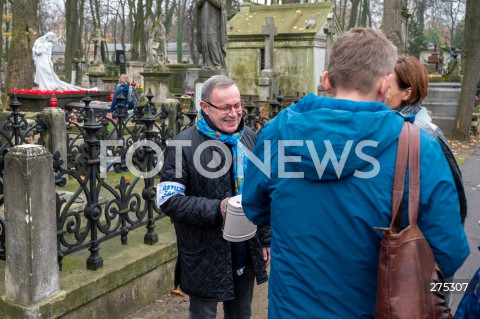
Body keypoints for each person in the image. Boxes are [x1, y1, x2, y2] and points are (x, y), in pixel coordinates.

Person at [242, 28, 469, 318]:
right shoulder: (418, 148)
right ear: (385, 85)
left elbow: (254, 208)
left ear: (326, 81)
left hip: (292, 308)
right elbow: (449, 252)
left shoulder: (275, 135)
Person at [158, 75, 270, 319]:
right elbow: (168, 201)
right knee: (203, 314)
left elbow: (262, 192)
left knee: (241, 313)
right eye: (225, 107)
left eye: (237, 105)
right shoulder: (182, 145)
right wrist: (218, 208)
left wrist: (265, 239)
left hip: (245, 246)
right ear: (205, 108)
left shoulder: (249, 137)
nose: (234, 113)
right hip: (204, 253)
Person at [385, 54, 467, 224]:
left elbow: (452, 199)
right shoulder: (381, 125)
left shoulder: (428, 135)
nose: (379, 90)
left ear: (407, 93)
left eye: (387, 86)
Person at [195, 0, 227, 70]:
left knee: (212, 41)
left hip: (214, 20)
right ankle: (207, 64)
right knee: (204, 42)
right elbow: (197, 4)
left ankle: (217, 64)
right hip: (204, 20)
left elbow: (220, 4)